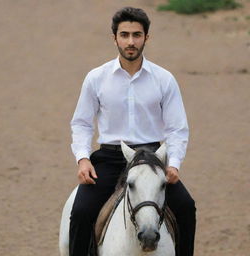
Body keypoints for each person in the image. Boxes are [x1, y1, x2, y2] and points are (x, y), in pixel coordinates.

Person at [69, 6, 196, 256]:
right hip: (110, 158)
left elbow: (177, 128)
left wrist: (174, 164)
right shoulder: (96, 78)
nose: (130, 41)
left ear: (146, 37)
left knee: (186, 207)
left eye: (137, 35)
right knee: (82, 210)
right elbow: (81, 123)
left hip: (152, 159)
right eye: (124, 34)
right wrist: (83, 159)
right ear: (114, 37)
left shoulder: (164, 79)